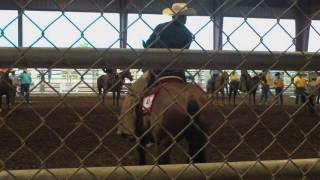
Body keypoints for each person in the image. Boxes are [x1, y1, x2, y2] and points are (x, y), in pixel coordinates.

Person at [117, 3, 196, 138]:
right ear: (184, 17)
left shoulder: (160, 28)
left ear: (172, 16)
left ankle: (127, 129)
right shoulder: (189, 34)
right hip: (178, 73)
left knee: (132, 94)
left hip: (158, 71)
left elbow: (149, 46)